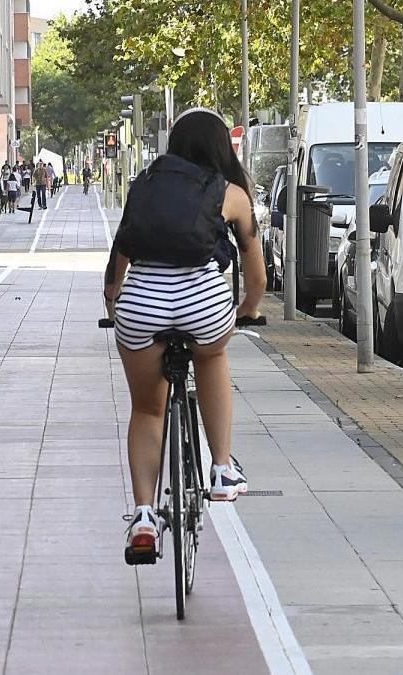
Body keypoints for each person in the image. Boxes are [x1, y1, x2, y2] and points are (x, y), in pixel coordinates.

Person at [104, 108, 265, 561]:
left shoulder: (144, 186)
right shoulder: (230, 194)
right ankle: (221, 469)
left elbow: (121, 252)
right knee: (212, 358)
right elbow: (257, 278)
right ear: (220, 148)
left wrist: (113, 302)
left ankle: (142, 516)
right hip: (204, 303)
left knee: (147, 408)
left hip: (141, 307)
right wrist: (249, 310)